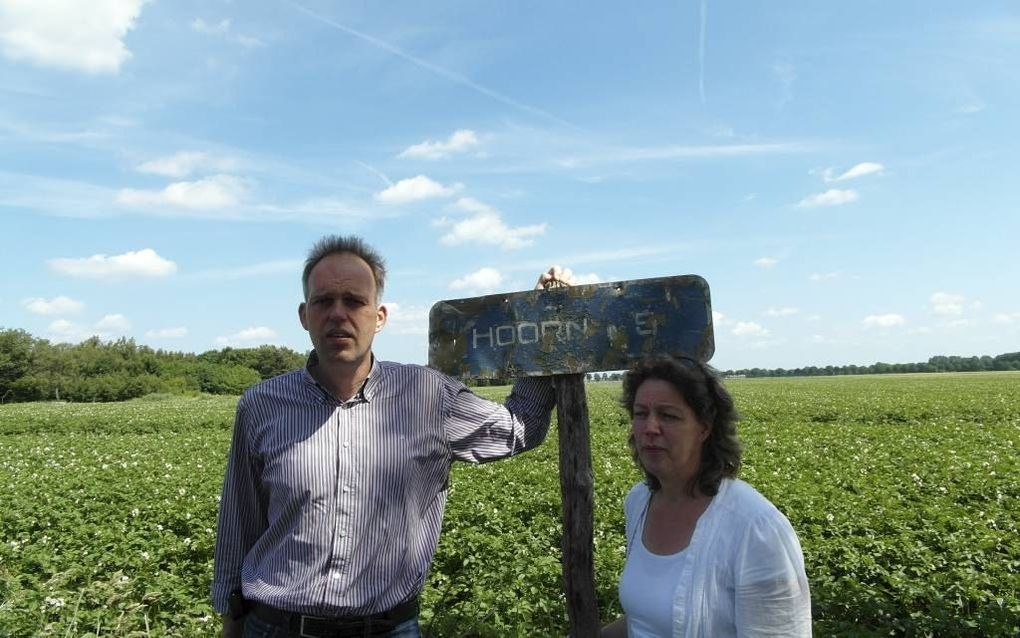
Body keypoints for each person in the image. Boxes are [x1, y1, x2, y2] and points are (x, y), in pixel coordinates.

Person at [211, 235, 571, 638]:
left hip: (388, 629)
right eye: (323, 301)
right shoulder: (262, 405)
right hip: (275, 627)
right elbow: (238, 525)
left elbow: (520, 426)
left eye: (354, 301)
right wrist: (231, 623)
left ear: (379, 316)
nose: (337, 313)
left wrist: (542, 329)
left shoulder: (429, 395)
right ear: (304, 315)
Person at [601, 355, 811, 637]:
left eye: (668, 415)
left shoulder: (757, 528)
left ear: (704, 428)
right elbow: (646, 619)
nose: (650, 427)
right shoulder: (639, 503)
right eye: (641, 414)